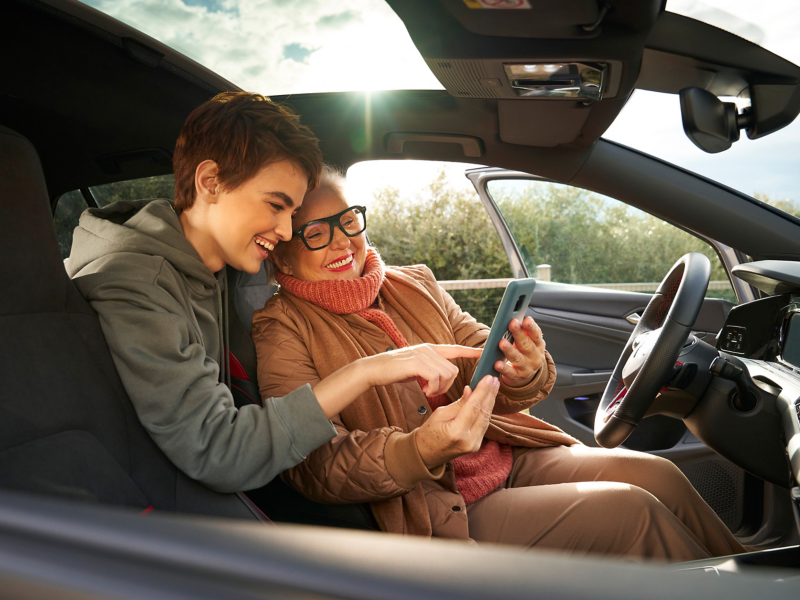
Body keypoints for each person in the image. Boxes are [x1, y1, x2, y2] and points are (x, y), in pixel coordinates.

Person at [251, 166, 746, 561]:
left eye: (347, 220)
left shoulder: (414, 283)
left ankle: (762, 585)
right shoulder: (282, 328)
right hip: (440, 503)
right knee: (630, 511)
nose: (342, 241)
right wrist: (419, 448)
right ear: (282, 256)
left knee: (659, 477)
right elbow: (313, 465)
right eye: (314, 233)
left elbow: (483, 358)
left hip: (510, 457)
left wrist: (524, 366)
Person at [66, 92, 492, 494]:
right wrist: (366, 370)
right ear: (210, 181)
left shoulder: (208, 266)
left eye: (291, 213)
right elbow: (219, 451)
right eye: (275, 205)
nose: (287, 231)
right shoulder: (138, 283)